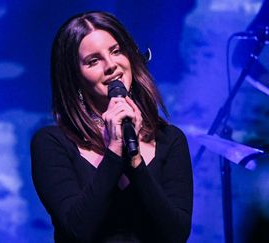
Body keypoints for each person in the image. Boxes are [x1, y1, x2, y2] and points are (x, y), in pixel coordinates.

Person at [31, 11, 193, 243]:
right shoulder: (52, 142)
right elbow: (77, 231)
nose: (111, 65)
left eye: (116, 51)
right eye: (93, 61)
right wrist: (114, 150)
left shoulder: (170, 139)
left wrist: (135, 160)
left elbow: (176, 234)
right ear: (74, 77)